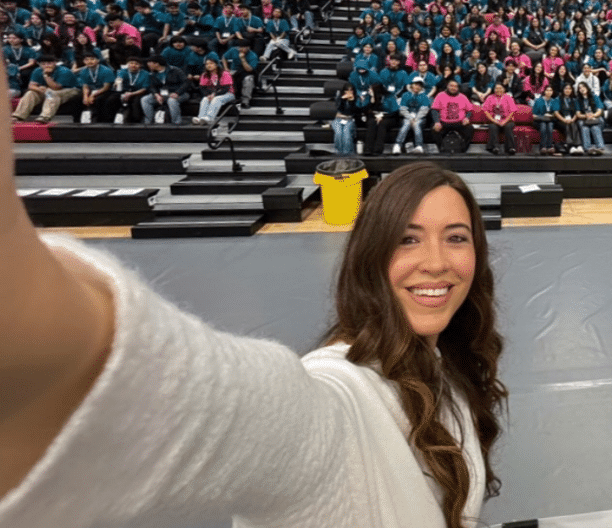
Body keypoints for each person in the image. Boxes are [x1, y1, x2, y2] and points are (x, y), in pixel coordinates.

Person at [0, 65, 507, 527]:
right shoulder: (338, 400)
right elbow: (201, 398)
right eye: (408, 238)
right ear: (371, 254)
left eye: (457, 236)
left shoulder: (448, 368)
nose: (438, 262)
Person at [10, 54, 79, 124]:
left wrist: (46, 75)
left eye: (49, 63)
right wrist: (40, 89)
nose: (47, 65)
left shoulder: (64, 71)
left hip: (70, 90)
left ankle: (44, 117)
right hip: (49, 90)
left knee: (51, 93)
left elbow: (56, 88)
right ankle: (18, 116)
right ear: (39, 64)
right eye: (43, 64)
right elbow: (31, 86)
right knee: (30, 93)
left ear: (55, 63)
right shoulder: (37, 70)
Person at [430, 79, 476, 154]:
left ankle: (462, 150)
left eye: (455, 86)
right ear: (447, 86)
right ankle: (442, 149)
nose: (453, 88)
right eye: (451, 86)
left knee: (470, 129)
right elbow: (434, 110)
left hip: (459, 122)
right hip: (444, 122)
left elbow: (469, 110)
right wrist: (437, 122)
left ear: (458, 88)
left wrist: (467, 118)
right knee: (434, 130)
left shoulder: (463, 97)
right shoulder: (440, 95)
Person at [141, 55, 191, 125]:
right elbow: (152, 86)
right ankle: (149, 121)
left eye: (149, 63)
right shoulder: (152, 74)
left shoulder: (175, 70)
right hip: (162, 94)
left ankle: (176, 122)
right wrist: (156, 94)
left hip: (180, 93)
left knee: (172, 100)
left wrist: (177, 93)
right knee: (145, 99)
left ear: (156, 64)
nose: (147, 65)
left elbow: (186, 83)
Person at [193, 58, 235, 126]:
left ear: (216, 65)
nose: (209, 65)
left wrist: (214, 94)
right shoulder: (205, 75)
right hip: (212, 94)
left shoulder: (225, 73)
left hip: (228, 94)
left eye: (211, 63)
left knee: (216, 99)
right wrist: (207, 95)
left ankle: (209, 118)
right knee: (205, 99)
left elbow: (226, 88)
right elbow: (202, 88)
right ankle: (200, 118)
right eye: (207, 64)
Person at [481, 81, 517, 155]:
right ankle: (495, 147)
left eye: (500, 88)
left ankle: (510, 148)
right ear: (494, 89)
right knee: (493, 127)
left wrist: (505, 121)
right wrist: (494, 120)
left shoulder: (508, 97)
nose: (498, 90)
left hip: (507, 120)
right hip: (494, 120)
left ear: (504, 89)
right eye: (496, 88)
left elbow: (512, 111)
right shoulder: (490, 97)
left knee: (508, 127)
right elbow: (485, 111)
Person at [573, 81, 606, 156]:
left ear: (587, 87)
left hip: (595, 118)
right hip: (584, 119)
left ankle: (600, 148)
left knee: (595, 127)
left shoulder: (595, 97)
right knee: (584, 128)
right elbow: (578, 114)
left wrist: (593, 116)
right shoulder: (577, 99)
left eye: (583, 87)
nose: (582, 89)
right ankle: (588, 148)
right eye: (579, 88)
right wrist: (586, 116)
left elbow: (599, 111)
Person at [532, 84, 558, 155]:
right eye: (547, 90)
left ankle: (549, 147)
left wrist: (551, 115)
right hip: (539, 121)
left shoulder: (554, 101)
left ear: (552, 92)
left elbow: (556, 114)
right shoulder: (538, 101)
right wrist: (543, 116)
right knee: (543, 126)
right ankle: (542, 147)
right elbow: (534, 115)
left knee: (550, 126)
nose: (549, 92)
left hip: (550, 120)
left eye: (550, 90)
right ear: (544, 91)